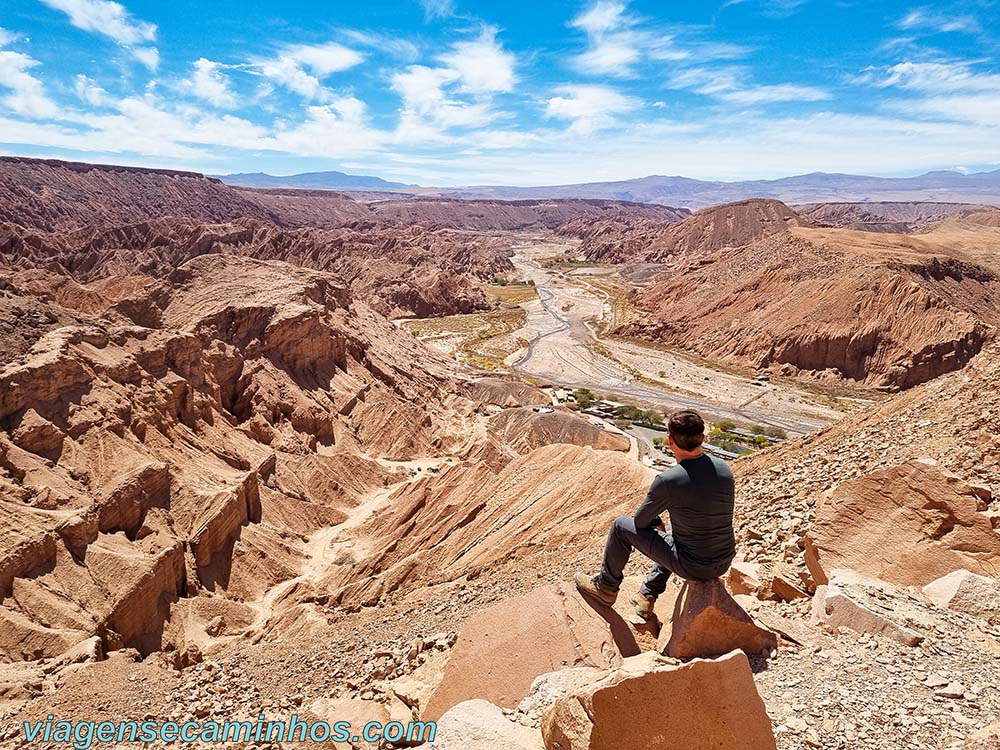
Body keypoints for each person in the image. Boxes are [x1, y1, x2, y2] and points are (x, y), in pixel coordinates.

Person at [575, 409, 736, 619]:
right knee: (672, 533)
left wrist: (656, 521)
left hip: (693, 567)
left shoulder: (669, 480)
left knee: (620, 525)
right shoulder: (724, 468)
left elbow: (640, 522)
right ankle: (647, 594)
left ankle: (605, 588)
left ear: (670, 440)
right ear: (703, 438)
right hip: (723, 560)